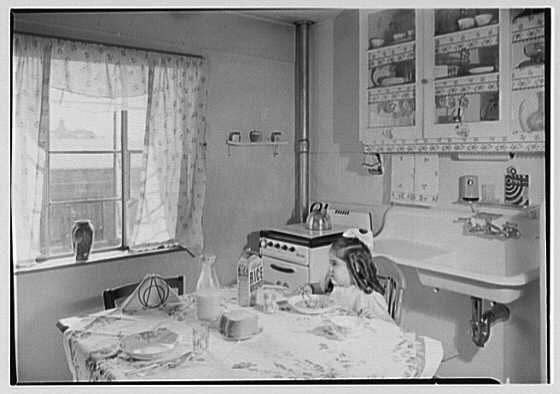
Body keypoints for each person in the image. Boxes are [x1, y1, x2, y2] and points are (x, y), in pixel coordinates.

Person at [302, 228, 393, 322]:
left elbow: (392, 328)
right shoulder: (333, 284)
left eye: (334, 264)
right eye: (330, 263)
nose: (330, 269)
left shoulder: (368, 297)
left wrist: (375, 319)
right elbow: (319, 288)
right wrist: (310, 288)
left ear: (356, 266)